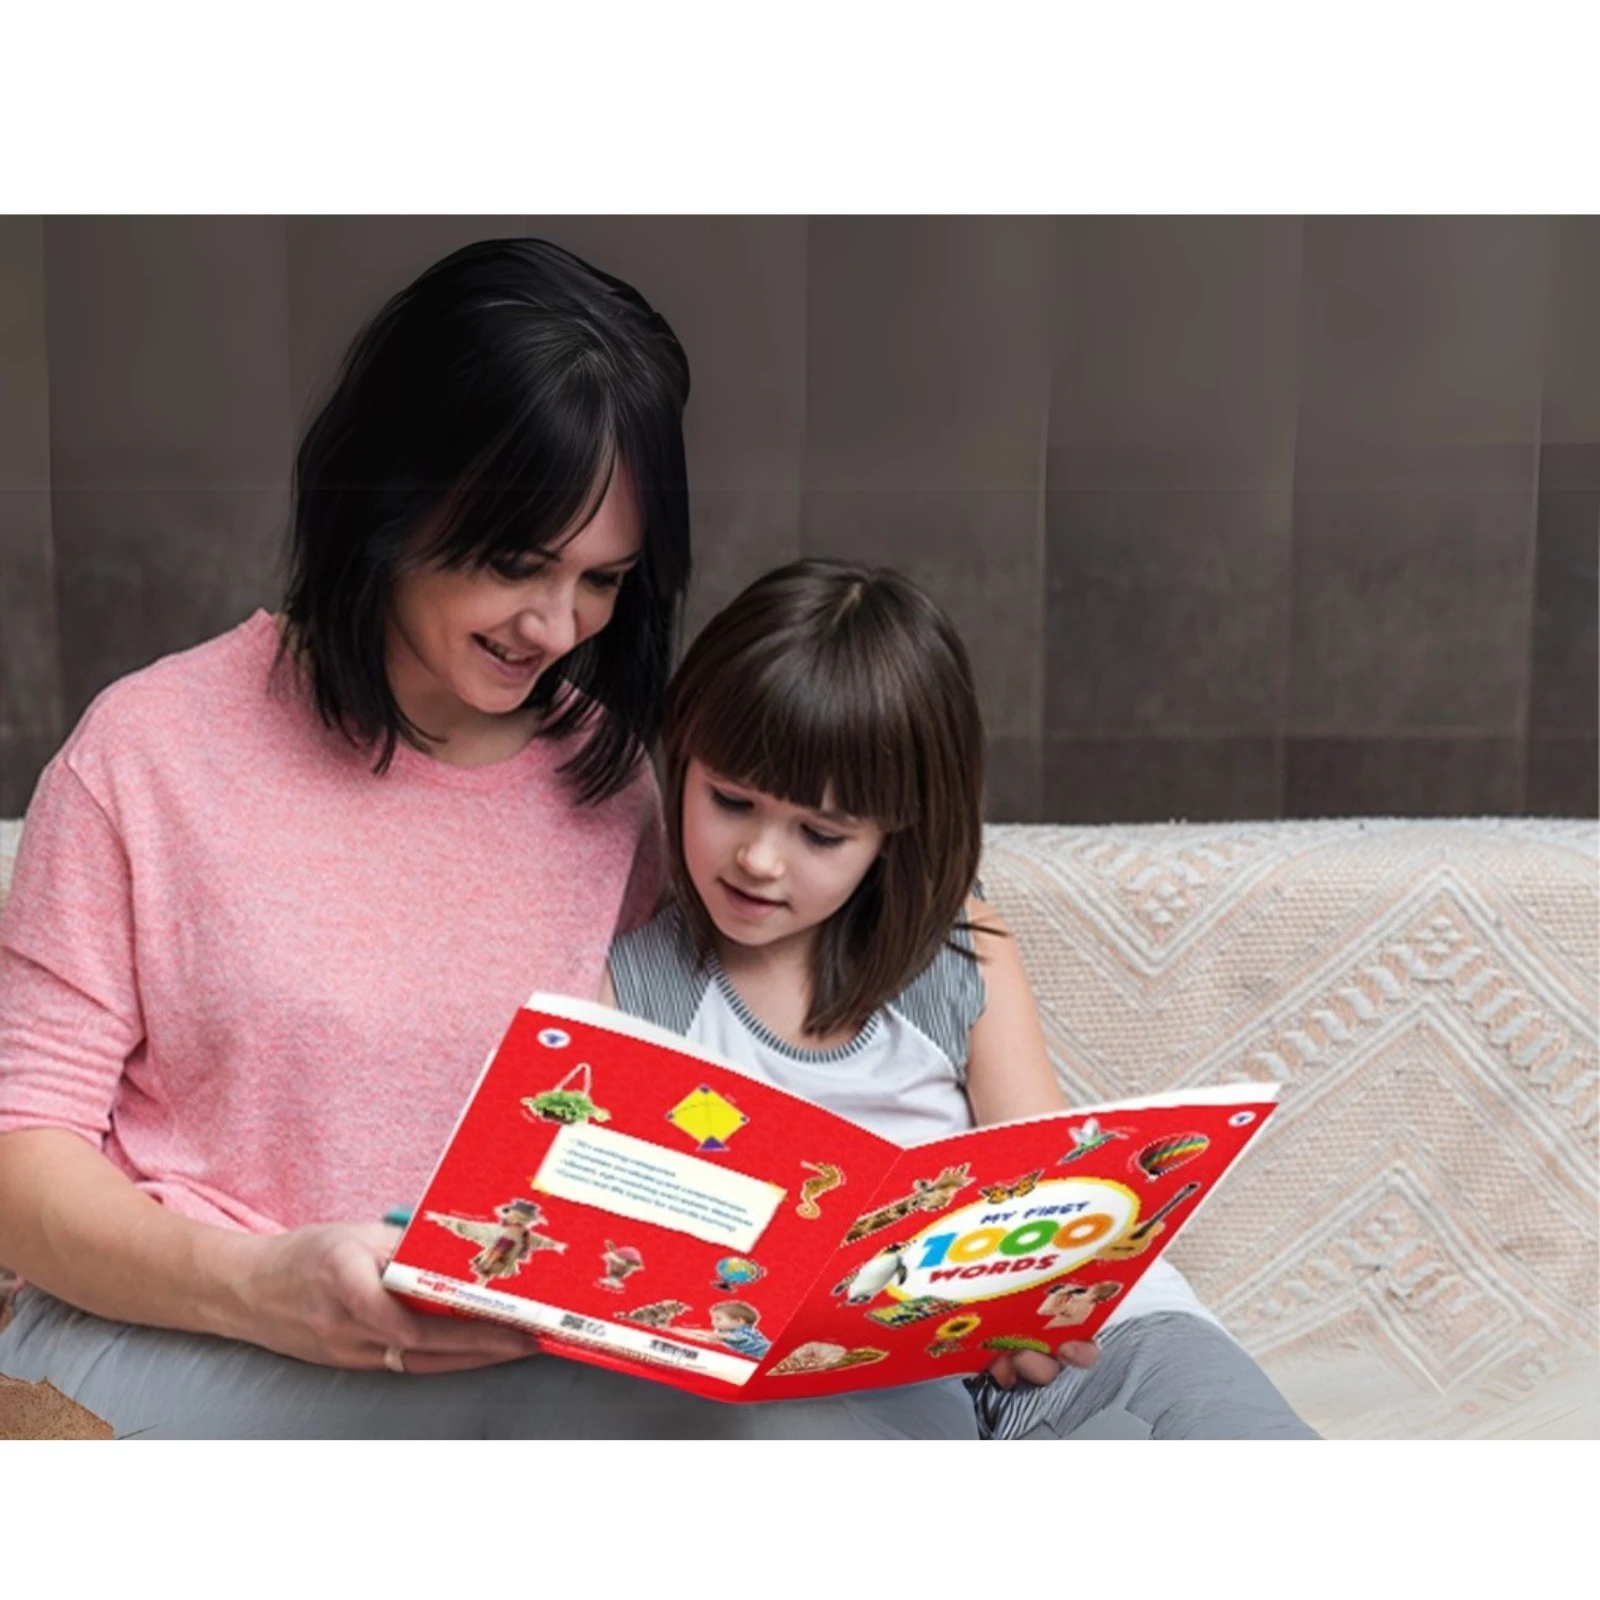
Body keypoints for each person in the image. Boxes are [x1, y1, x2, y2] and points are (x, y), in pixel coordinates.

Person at [0, 236, 718, 1438]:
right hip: (172, 1326)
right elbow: (20, 1162)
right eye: (516, 564)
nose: (556, 627)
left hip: (497, 1352)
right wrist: (260, 1286)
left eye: (604, 581)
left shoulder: (611, 784)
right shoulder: (147, 751)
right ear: (390, 496)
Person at [605, 560, 1318, 1440]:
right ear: (681, 760)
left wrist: (1037, 1305)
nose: (758, 857)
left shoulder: (955, 949)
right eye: (729, 800)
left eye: (820, 834)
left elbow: (1048, 1182)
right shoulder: (643, 987)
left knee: (1239, 1429)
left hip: (1059, 1342)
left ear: (892, 832)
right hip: (828, 1366)